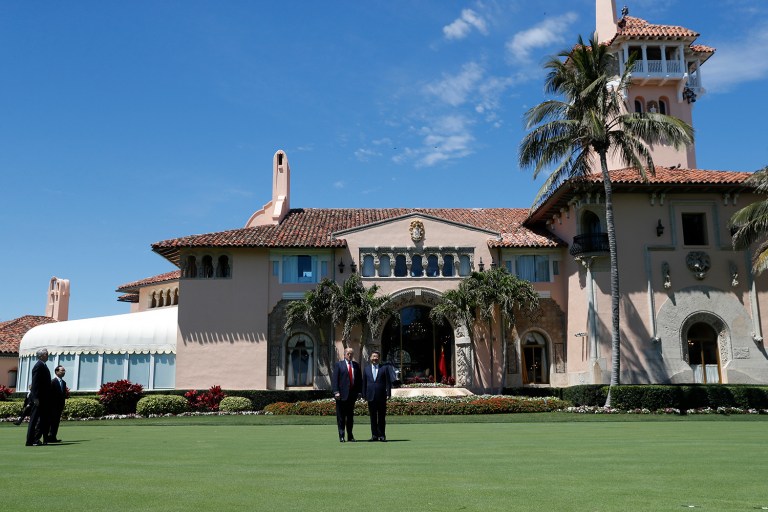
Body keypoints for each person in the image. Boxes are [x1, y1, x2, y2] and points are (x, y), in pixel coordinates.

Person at [331, 347, 361, 443]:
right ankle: (341, 436)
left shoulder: (356, 365)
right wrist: (336, 392)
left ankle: (350, 436)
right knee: (341, 417)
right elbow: (335, 379)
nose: (350, 355)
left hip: (352, 396)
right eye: (348, 353)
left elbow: (359, 380)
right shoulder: (339, 365)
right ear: (344, 355)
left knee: (350, 417)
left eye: (351, 354)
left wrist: (359, 392)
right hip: (341, 396)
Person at [362, 350, 392, 442]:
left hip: (381, 396)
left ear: (379, 358)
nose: (375, 358)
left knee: (382, 417)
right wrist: (363, 395)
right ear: (370, 358)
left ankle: (382, 435)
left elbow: (388, 382)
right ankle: (374, 435)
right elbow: (364, 383)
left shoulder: (384, 368)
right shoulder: (366, 369)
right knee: (373, 417)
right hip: (370, 396)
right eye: (373, 356)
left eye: (376, 357)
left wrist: (388, 393)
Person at [25, 348, 52, 446]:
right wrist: (35, 398)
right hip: (39, 398)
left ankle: (37, 439)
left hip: (43, 398)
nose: (47, 355)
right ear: (41, 356)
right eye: (46, 354)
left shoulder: (43, 365)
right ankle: (30, 440)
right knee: (34, 419)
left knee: (43, 419)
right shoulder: (38, 366)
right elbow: (35, 383)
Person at [48, 365, 67, 443]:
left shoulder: (64, 383)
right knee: (51, 422)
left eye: (64, 371)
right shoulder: (52, 382)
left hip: (59, 406)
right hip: (52, 406)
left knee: (56, 422)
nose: (64, 372)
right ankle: (48, 437)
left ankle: (53, 437)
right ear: (56, 372)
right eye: (62, 370)